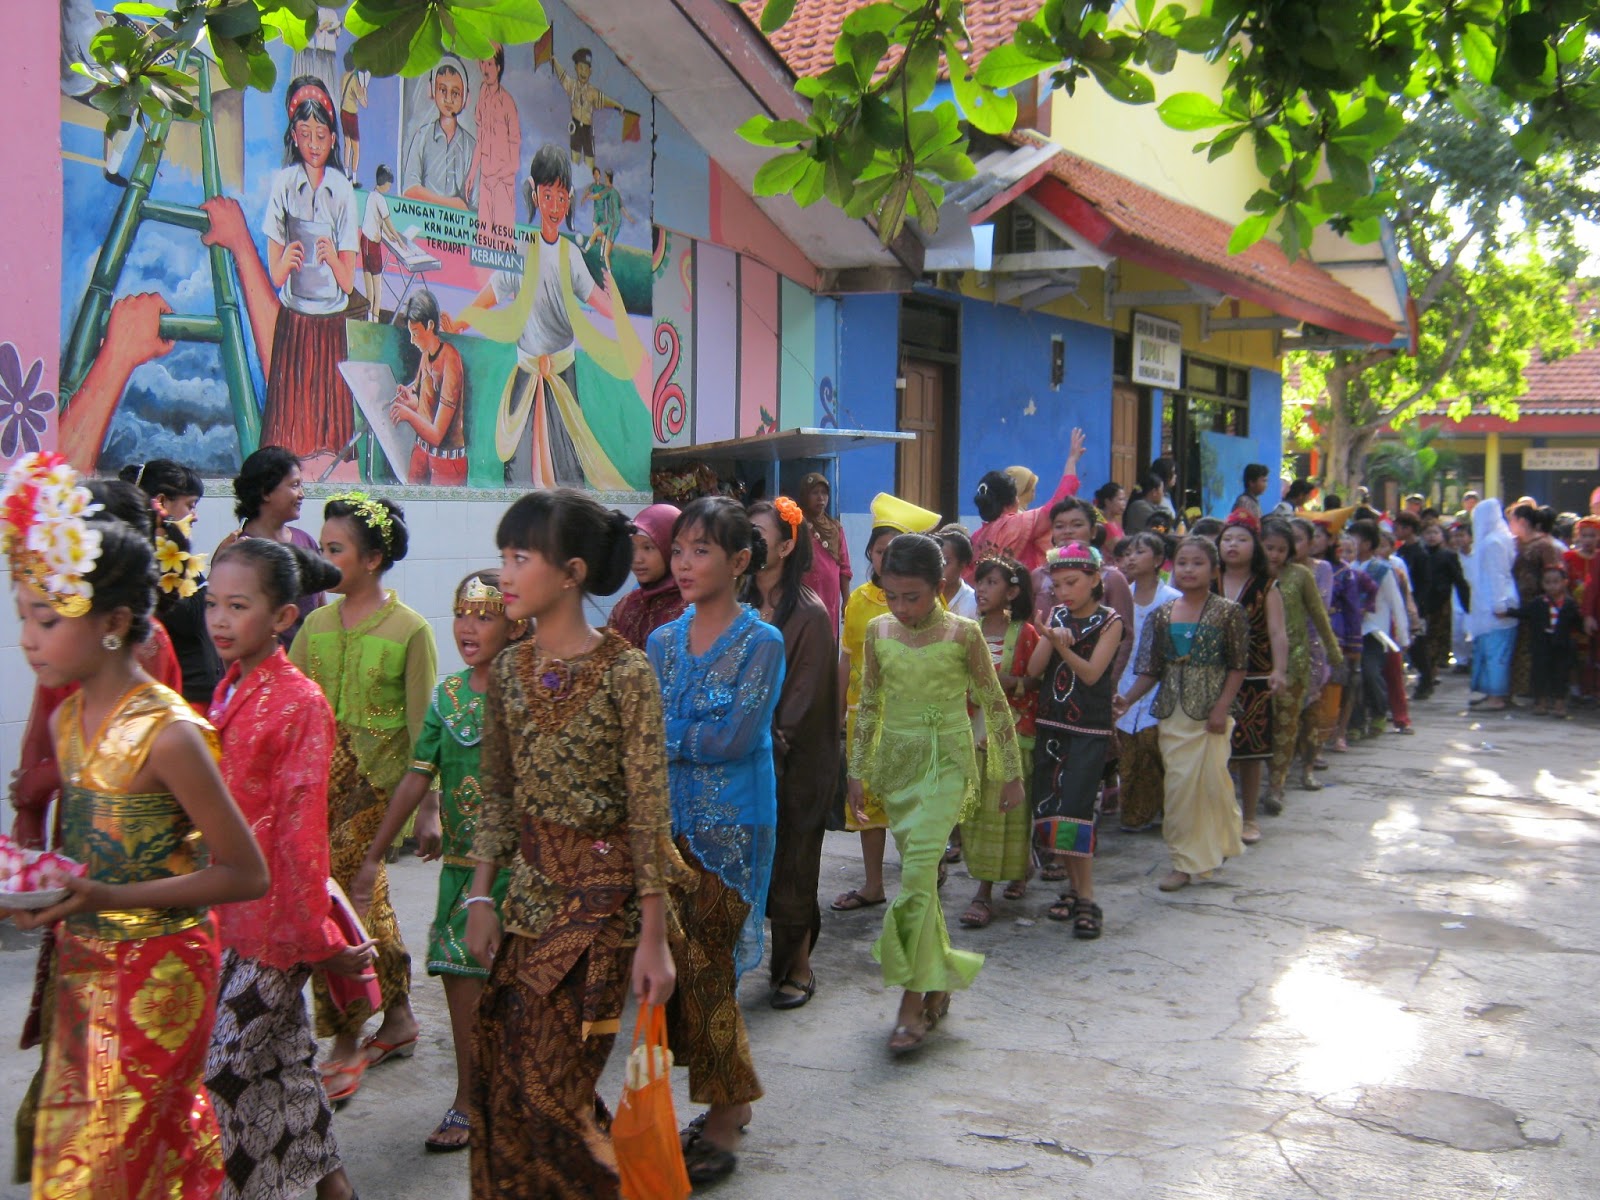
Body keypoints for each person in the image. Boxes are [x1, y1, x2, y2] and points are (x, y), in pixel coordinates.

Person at [2, 453, 269, 1198]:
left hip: (162, 972)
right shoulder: (71, 725)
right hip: (86, 967)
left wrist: (99, 896)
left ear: (115, 623)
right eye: (22, 614)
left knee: (127, 1157)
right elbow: (82, 864)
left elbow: (245, 873)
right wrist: (46, 890)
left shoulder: (170, 734)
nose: (27, 638)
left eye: (46, 620)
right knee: (80, 1147)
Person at [464, 489, 685, 1197]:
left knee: (548, 1092)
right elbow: (496, 791)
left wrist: (653, 937)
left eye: (520, 557)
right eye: (503, 556)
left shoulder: (627, 674)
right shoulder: (507, 671)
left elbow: (650, 811)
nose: (504, 573)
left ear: (572, 573)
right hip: (527, 901)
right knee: (504, 1081)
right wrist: (479, 894)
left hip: (603, 911)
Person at [202, 537, 365, 1200]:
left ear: (282, 618)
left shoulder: (301, 704)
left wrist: (323, 945)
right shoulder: (231, 685)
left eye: (237, 606)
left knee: (225, 1071)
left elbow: (303, 840)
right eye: (212, 603)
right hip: (233, 918)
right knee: (285, 1065)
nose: (218, 619)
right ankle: (334, 1188)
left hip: (278, 926)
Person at [350, 570, 524, 1153]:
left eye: (485, 615)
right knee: (462, 989)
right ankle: (468, 1100)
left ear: (515, 622)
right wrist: (376, 854)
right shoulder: (449, 696)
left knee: (525, 996)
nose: (468, 627)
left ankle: (525, 1098)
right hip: (459, 867)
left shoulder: (531, 688)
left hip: (520, 872)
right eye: (462, 613)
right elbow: (416, 775)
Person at [648, 497, 784, 1185]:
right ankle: (729, 1096)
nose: (683, 564)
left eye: (700, 551)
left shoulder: (764, 643)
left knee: (709, 970)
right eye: (678, 550)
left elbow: (733, 740)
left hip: (735, 824)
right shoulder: (661, 643)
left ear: (738, 562)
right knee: (685, 973)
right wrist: (678, 745)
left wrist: (664, 739)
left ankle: (728, 1113)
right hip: (667, 825)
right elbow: (685, 740)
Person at [848, 533, 1024, 1052]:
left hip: (947, 765)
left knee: (920, 875)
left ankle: (910, 1001)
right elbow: (871, 704)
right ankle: (937, 981)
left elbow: (994, 703)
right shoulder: (878, 630)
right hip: (897, 770)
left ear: (940, 585)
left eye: (913, 597)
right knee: (920, 881)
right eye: (892, 595)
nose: (901, 608)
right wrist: (855, 769)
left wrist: (1009, 771)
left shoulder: (963, 634)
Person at [290, 493, 436, 1104]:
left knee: (342, 905)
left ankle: (348, 1039)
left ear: (373, 559)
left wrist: (429, 808)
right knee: (361, 908)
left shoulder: (412, 630)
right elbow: (294, 704)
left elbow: (425, 727)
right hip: (319, 792)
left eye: (335, 550)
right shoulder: (314, 626)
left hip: (379, 795)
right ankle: (397, 1017)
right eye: (322, 549)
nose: (324, 561)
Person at [445, 144, 638, 491]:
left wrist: (619, 314)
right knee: (518, 462)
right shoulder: (520, 248)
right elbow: (493, 291)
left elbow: (595, 297)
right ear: (535, 193)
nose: (554, 206)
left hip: (563, 372)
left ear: (568, 202)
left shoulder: (571, 255)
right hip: (527, 369)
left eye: (561, 198)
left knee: (566, 463)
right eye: (547, 196)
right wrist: (461, 321)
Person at [1114, 536, 1248, 892]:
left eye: (1198, 563)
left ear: (1213, 570)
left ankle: (1211, 848)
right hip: (1172, 714)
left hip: (1211, 716)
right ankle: (1183, 863)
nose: (1188, 569)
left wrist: (1221, 708)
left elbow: (1237, 667)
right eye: (1183, 563)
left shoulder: (1228, 612)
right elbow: (1151, 669)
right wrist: (1126, 700)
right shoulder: (1162, 615)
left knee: (1211, 787)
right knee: (1177, 791)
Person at [745, 499, 838, 1011]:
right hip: (743, 755)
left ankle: (799, 966)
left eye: (760, 535)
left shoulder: (808, 614)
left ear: (785, 545)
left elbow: (800, 703)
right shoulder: (732, 603)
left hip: (792, 762)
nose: (751, 544)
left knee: (794, 868)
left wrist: (757, 738)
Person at [832, 493, 942, 913]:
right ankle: (874, 884)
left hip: (912, 717)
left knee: (914, 803)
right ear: (870, 553)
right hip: (865, 717)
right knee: (867, 804)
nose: (885, 559)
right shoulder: (858, 600)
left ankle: (922, 881)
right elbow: (847, 656)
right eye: (879, 551)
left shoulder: (928, 601)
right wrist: (839, 708)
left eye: (894, 551)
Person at [261, 76, 361, 459]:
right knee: (290, 431)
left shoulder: (343, 190)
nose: (314, 144)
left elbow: (349, 282)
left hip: (329, 321)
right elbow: (274, 274)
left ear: (334, 139)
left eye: (322, 134)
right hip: (296, 320)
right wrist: (286, 260)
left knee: (327, 438)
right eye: (306, 134)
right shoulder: (284, 183)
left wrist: (334, 258)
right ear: (294, 136)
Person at [1029, 543, 1124, 937]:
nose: (1064, 591)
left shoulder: (1110, 621)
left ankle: (1087, 897)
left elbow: (1090, 674)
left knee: (1076, 812)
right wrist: (1049, 637)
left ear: (1095, 579)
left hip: (1088, 730)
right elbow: (1035, 670)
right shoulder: (1056, 616)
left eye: (1072, 582)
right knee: (1053, 811)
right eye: (1057, 585)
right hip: (1052, 727)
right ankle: (1072, 886)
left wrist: (1063, 646)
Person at [956, 557, 1039, 929]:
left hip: (1012, 733)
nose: (983, 590)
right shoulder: (966, 631)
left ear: (1013, 591)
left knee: (1006, 811)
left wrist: (1005, 683)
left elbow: (1032, 685)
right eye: (980, 582)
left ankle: (983, 892)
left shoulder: (1026, 634)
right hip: (970, 731)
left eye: (992, 582)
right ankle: (1016, 869)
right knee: (976, 813)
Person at [120, 459, 222, 706]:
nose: (195, 517)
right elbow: (188, 617)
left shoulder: (172, 555)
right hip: (182, 696)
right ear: (163, 503)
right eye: (191, 505)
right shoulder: (148, 559)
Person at [1212, 513, 1286, 844]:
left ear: (1253, 547)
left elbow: (1277, 631)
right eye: (1227, 539)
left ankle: (1251, 817)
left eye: (1241, 540)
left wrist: (1279, 670)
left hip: (1255, 676)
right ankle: (1217, 815)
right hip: (1210, 675)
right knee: (1215, 750)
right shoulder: (1207, 580)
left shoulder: (1266, 586)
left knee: (1251, 751)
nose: (1232, 545)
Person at [1259, 519, 1339, 815]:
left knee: (1286, 725)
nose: (1275, 555)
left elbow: (1319, 615)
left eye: (1281, 549)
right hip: (1257, 662)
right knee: (1261, 726)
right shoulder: (1252, 575)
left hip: (1295, 661)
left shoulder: (1301, 575)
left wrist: (1333, 652)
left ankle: (1276, 786)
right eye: (1269, 548)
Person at [220, 446, 327, 646]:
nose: (301, 494)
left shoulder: (306, 542)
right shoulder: (239, 550)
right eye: (294, 485)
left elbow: (321, 612)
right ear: (265, 492)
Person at [1113, 531, 1180, 832]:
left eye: (1139, 552)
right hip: (1125, 680)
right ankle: (1136, 810)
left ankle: (1170, 810)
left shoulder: (1173, 600)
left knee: (1158, 748)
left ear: (1158, 560)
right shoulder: (1120, 595)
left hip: (1163, 685)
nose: (1130, 558)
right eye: (1127, 552)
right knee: (1129, 751)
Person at [970, 428, 1085, 570]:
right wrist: (1072, 461)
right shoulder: (1019, 525)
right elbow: (1058, 504)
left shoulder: (976, 538)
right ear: (1014, 499)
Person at [390, 289, 468, 485]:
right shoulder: (426, 356)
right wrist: (410, 402)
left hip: (446, 464)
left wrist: (408, 415)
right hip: (422, 454)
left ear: (430, 325)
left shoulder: (450, 359)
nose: (412, 340)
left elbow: (436, 434)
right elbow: (425, 408)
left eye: (415, 333)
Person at [1347, 519, 1410, 735]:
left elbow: (1396, 602)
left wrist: (1403, 636)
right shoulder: (1348, 568)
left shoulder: (1382, 570)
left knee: (1371, 673)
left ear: (1366, 543)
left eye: (1354, 538)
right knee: (1351, 677)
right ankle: (1355, 722)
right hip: (1351, 631)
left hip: (1375, 631)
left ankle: (1379, 712)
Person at [1502, 565, 1581, 717]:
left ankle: (1559, 704)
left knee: (1561, 674)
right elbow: (1524, 613)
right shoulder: (1538, 603)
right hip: (1541, 644)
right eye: (1548, 582)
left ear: (1565, 582)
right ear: (1542, 584)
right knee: (1540, 673)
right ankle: (1541, 703)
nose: (1552, 586)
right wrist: (1507, 612)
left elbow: (1578, 622)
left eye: (1556, 582)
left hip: (1562, 646)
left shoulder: (1570, 604)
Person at [464, 46, 522, 252]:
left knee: (503, 247)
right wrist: (472, 173)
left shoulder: (508, 104)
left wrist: (497, 178)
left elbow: (515, 161)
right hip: (485, 183)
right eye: (482, 63)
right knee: (483, 243)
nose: (485, 68)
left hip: (503, 185)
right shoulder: (482, 95)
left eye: (490, 64)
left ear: (498, 67)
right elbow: (481, 138)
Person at [607, 502, 685, 650]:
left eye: (648, 548)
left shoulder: (690, 609)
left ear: (672, 549)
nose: (637, 559)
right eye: (632, 548)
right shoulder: (625, 606)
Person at [402, 57, 476, 209]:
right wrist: (454, 205)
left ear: (465, 98)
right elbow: (409, 190)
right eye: (443, 90)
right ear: (432, 90)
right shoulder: (422, 137)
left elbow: (476, 203)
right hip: (422, 226)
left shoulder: (471, 146)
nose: (448, 99)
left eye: (455, 93)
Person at [1508, 503, 1563, 698]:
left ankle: (1534, 689)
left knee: (1535, 646)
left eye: (1511, 520)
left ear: (1522, 521)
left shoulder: (1544, 545)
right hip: (1517, 602)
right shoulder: (1515, 543)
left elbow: (1553, 573)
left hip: (1538, 603)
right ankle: (1518, 687)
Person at [1419, 520, 1471, 695]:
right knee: (1423, 639)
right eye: (1428, 533)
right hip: (1421, 602)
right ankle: (1426, 672)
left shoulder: (1447, 555)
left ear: (1442, 536)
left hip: (1441, 603)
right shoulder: (1420, 554)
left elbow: (1458, 579)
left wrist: (1467, 603)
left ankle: (1432, 671)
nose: (1431, 537)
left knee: (1436, 638)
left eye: (1435, 533)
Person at [552, 47, 624, 169]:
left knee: (590, 157)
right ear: (575, 68)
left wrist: (618, 106)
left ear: (590, 71)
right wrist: (554, 61)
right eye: (580, 67)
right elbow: (562, 76)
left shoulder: (592, 92)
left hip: (587, 128)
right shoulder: (572, 86)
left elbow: (605, 100)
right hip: (575, 126)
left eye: (586, 69)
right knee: (575, 155)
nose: (583, 72)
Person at [798, 471, 850, 634]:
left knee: (828, 638)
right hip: (805, 595)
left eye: (824, 493)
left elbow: (844, 567)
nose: (821, 498)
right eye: (815, 493)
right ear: (805, 495)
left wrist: (846, 599)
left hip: (830, 598)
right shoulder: (798, 526)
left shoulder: (835, 528)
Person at [1392, 512, 1434, 698]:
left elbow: (1424, 583)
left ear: (1408, 529)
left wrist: (1417, 606)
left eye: (1398, 527)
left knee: (1418, 646)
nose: (1395, 531)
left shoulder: (1419, 553)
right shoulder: (1401, 551)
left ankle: (1426, 681)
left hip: (1415, 605)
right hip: (1402, 603)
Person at [358, 165, 399, 320]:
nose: (389, 188)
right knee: (377, 286)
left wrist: (388, 235)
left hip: (366, 242)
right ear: (385, 183)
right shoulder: (380, 199)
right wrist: (400, 241)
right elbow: (388, 222)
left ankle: (370, 317)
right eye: (389, 185)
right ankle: (375, 317)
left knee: (370, 284)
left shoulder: (371, 196)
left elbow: (378, 221)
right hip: (372, 245)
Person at [1567, 516, 1600, 699]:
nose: (1588, 540)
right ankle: (1577, 688)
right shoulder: (1569, 558)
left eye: (1592, 536)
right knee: (1578, 654)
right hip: (1576, 614)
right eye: (1584, 535)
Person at [337, 54, 368, 180]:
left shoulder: (343, 77)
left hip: (343, 112)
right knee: (356, 149)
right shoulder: (354, 81)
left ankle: (345, 173)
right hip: (351, 114)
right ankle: (354, 177)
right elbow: (364, 103)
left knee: (347, 144)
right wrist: (364, 90)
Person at [937, 526, 979, 617]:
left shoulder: (974, 603)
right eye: (934, 561)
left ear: (962, 564)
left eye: (945, 562)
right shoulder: (925, 598)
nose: (937, 568)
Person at [1123, 469, 1167, 535]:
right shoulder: (1140, 506)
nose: (1163, 494)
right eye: (1162, 490)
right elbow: (1161, 528)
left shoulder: (1150, 505)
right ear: (1154, 492)